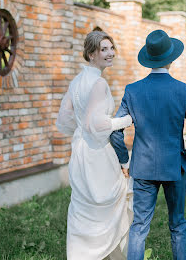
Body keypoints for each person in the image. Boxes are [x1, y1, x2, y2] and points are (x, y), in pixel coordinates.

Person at [110, 29, 186, 260]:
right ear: (171, 59)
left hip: (142, 167)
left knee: (139, 227)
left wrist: (125, 161)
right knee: (178, 224)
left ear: (149, 58)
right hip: (175, 165)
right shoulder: (184, 90)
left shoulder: (132, 91)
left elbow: (115, 132)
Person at [56, 30, 133, 260]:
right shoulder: (98, 84)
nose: (110, 53)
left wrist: (80, 132)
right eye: (104, 49)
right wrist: (127, 120)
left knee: (84, 208)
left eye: (111, 48)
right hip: (97, 154)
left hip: (80, 151)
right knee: (108, 205)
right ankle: (103, 252)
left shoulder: (77, 81)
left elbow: (66, 117)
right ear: (91, 54)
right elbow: (96, 124)